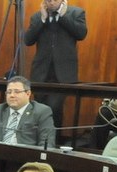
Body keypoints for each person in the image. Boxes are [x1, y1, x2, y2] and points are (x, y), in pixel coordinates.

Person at [23, 0, 87, 128]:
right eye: (47, 0)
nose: (50, 3)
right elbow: (28, 40)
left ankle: (53, 142)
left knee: (53, 107)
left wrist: (63, 17)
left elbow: (81, 34)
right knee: (39, 108)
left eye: (53, 0)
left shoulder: (75, 13)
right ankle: (39, 141)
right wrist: (42, 19)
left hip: (63, 74)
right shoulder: (37, 16)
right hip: (41, 72)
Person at [0, 75, 56, 147]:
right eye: (9, 92)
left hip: (27, 159)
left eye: (17, 92)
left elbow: (47, 143)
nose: (12, 95)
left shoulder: (42, 112)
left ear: (28, 93)